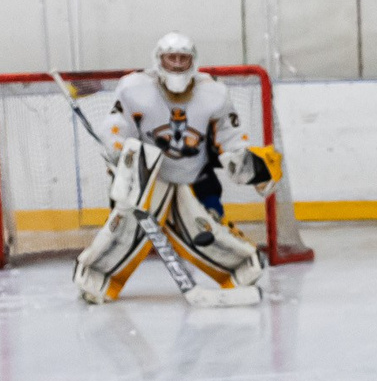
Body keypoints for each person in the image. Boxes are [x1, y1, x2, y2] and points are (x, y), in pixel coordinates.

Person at [74, 33, 280, 304]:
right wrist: (118, 152)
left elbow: (231, 135)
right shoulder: (133, 88)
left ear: (193, 61)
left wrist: (242, 161)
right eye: (171, 57)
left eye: (183, 58)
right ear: (158, 60)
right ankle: (95, 279)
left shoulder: (214, 92)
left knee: (206, 234)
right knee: (125, 232)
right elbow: (115, 127)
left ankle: (241, 270)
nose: (177, 64)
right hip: (149, 179)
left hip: (192, 179)